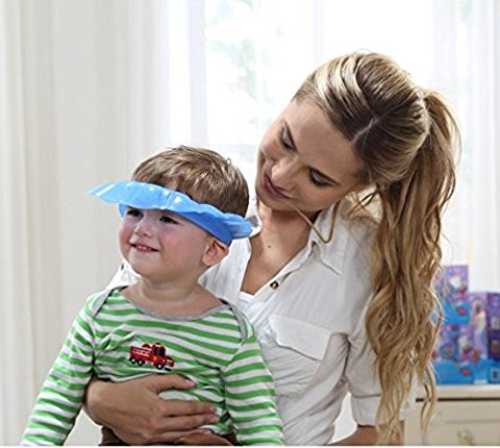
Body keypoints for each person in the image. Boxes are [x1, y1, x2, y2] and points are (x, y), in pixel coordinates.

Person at [85, 52, 459, 445]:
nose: (279, 175)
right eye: (286, 141)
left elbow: (381, 435)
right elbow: (97, 346)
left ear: (359, 186)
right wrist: (100, 399)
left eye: (317, 178)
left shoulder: (368, 268)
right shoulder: (197, 202)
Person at [21, 147, 284, 446]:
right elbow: (58, 396)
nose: (142, 228)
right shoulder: (100, 313)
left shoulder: (232, 333)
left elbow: (259, 425)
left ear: (212, 250)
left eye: (167, 219)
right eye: (135, 212)